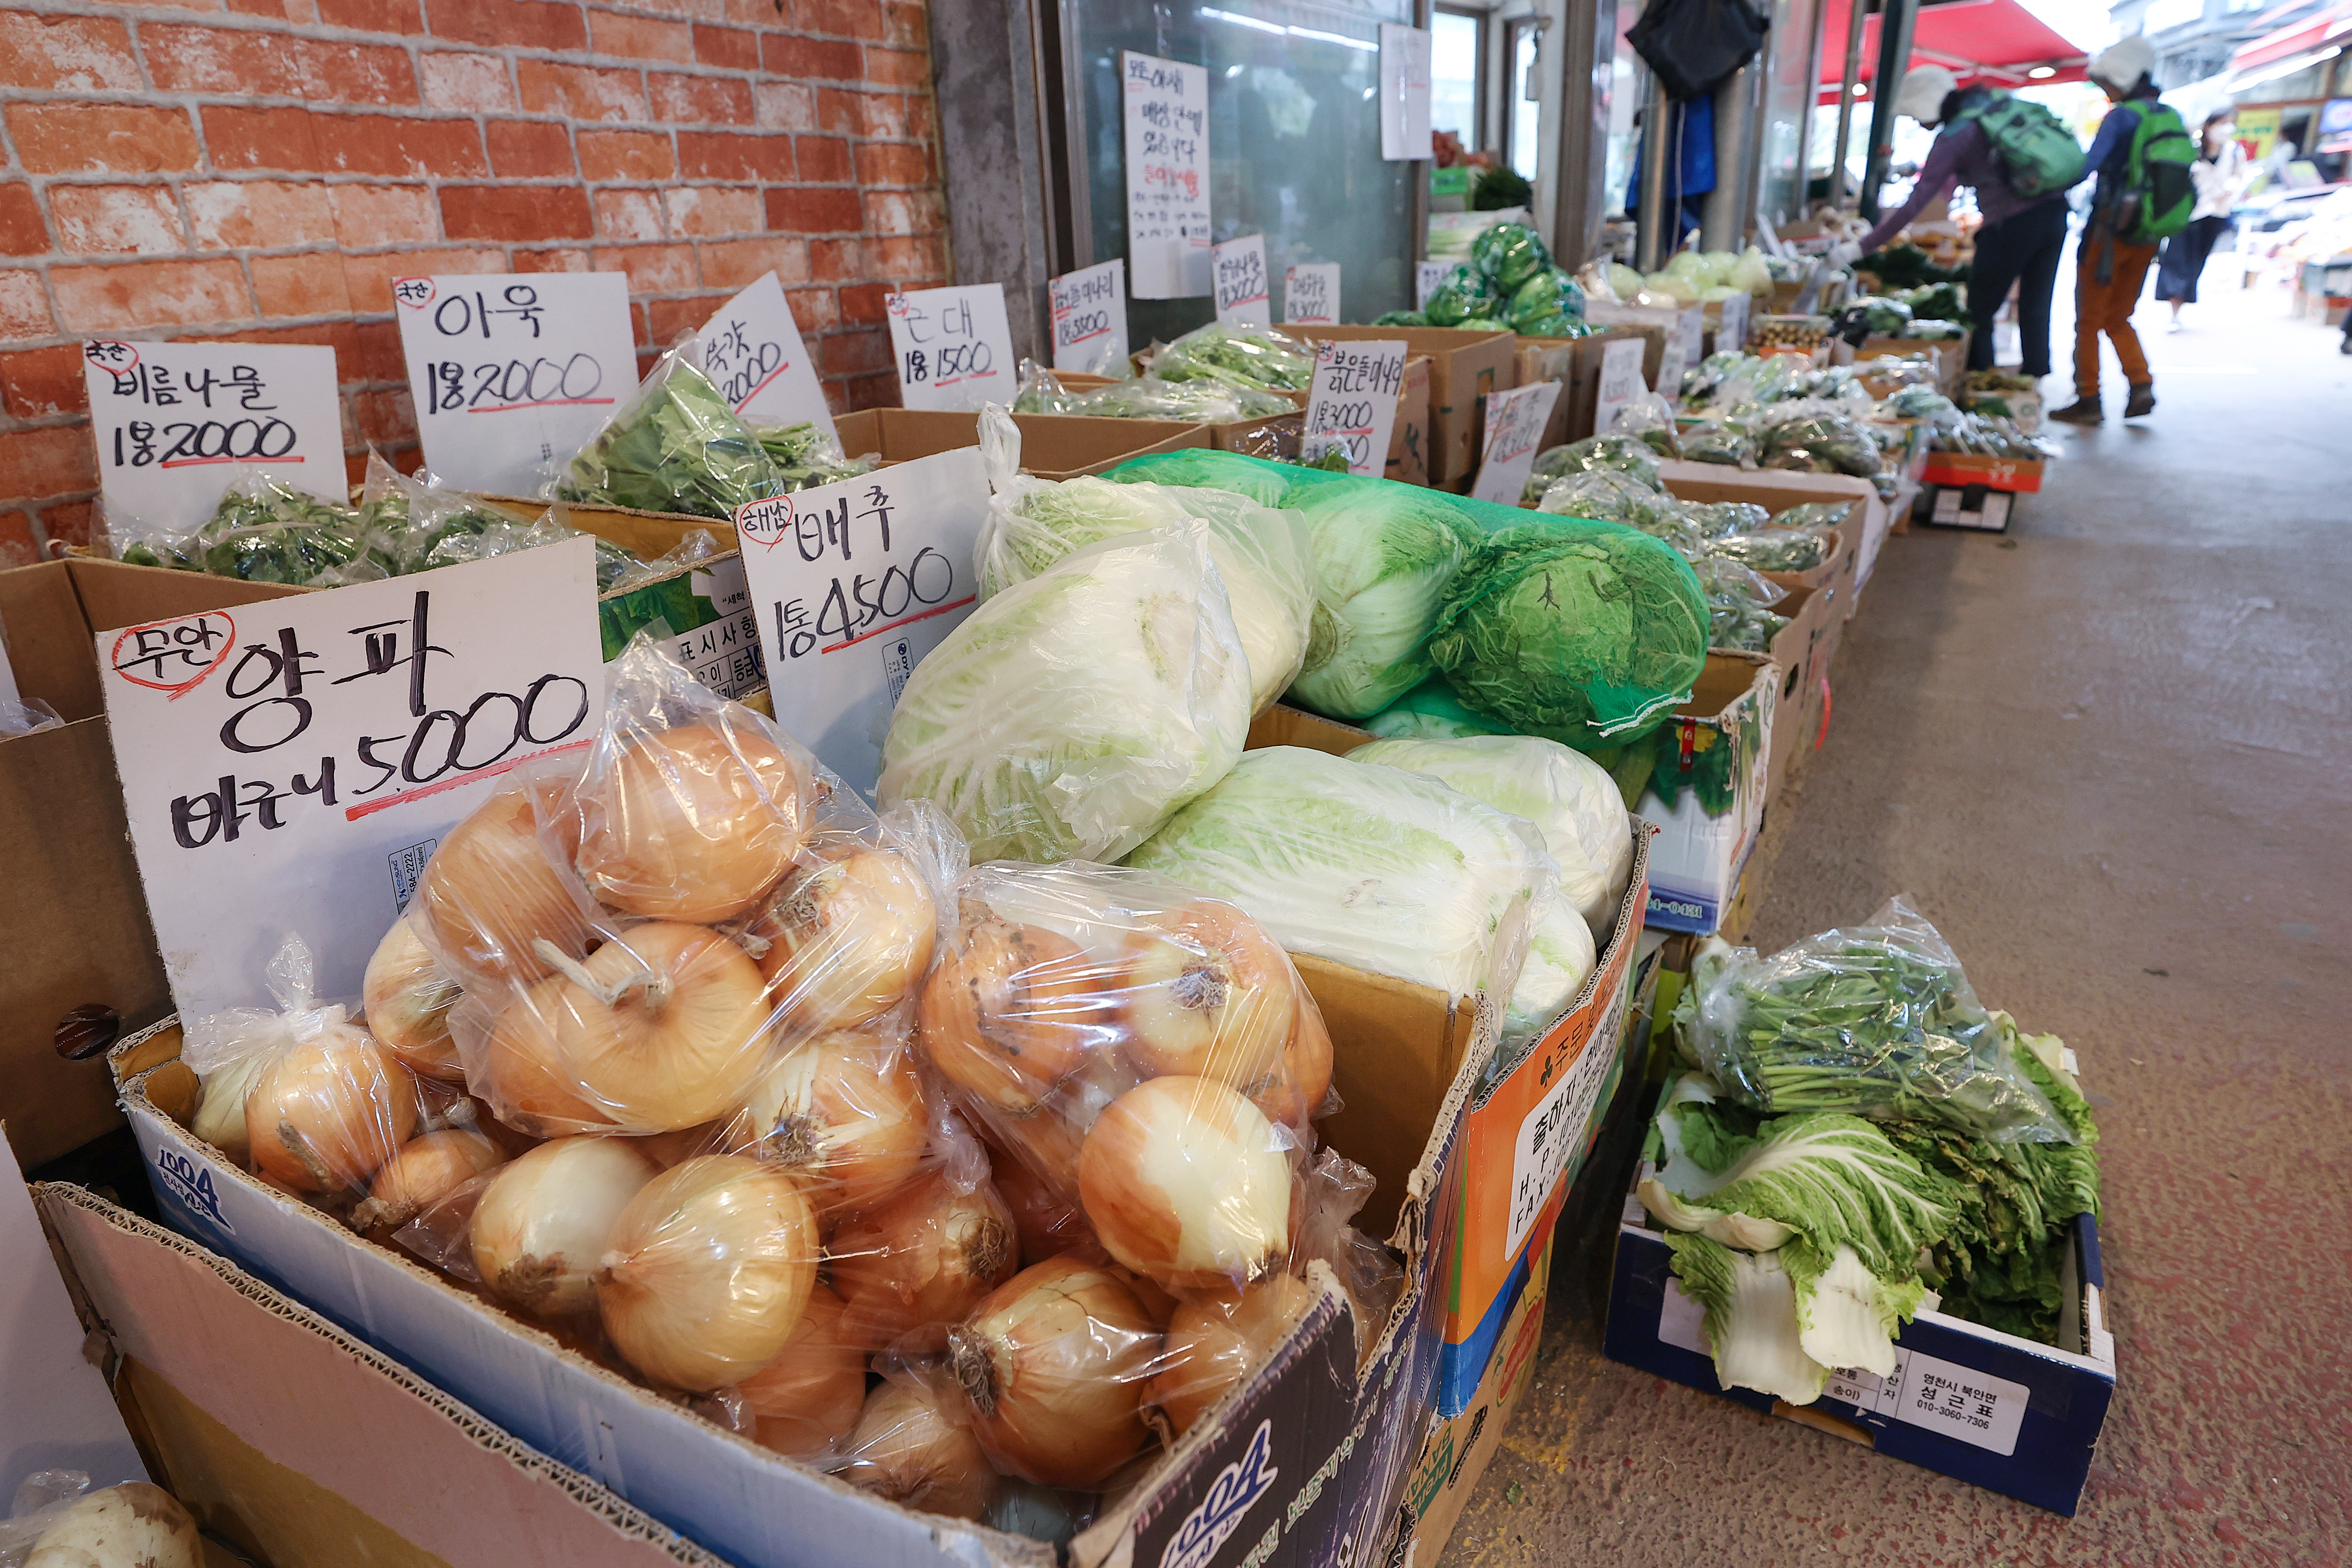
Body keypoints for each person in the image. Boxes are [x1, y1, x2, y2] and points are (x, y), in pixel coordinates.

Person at [1826, 66, 2074, 384]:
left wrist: (1860, 247)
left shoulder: (1955, 135)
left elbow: (1918, 202)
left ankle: (1978, 384)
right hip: (2054, 213)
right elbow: (1945, 188)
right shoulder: (1987, 110)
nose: (1917, 123)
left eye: (1915, 115)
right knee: (2035, 304)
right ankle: (2031, 387)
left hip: (2011, 224)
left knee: (1977, 313)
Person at [2049, 36, 2166, 425]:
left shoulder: (2120, 118)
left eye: (2105, 84)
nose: (2105, 90)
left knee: (2087, 320)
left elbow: (2085, 169)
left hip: (2109, 233)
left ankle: (2088, 399)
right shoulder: (2167, 117)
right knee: (2118, 316)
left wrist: (2041, 181)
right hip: (2148, 233)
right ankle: (2140, 382)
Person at [2155, 112, 2247, 331]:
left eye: (2230, 124)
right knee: (2177, 261)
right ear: (2209, 125)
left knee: (2196, 262)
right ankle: (2173, 310)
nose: (2226, 129)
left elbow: (2240, 176)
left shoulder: (2234, 151)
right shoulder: (2193, 148)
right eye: (2222, 124)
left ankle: (2180, 307)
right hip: (2189, 214)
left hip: (2217, 213)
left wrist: (2231, 190)